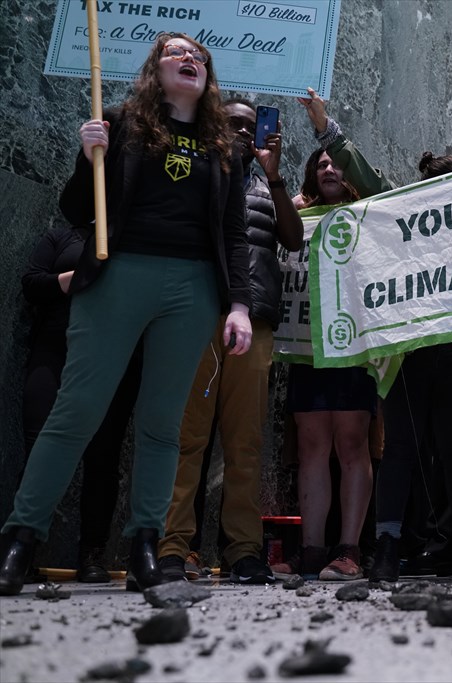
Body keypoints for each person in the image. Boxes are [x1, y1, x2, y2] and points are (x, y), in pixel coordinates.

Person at [0, 33, 252, 596]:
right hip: (118, 276)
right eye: (176, 53)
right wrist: (86, 152)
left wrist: (239, 304)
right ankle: (21, 537)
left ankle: (144, 544)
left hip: (193, 288)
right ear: (154, 69)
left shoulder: (225, 148)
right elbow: (75, 209)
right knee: (76, 411)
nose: (189, 59)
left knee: (162, 423)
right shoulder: (118, 125)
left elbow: (234, 234)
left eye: (199, 57)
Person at [157, 97, 303, 585]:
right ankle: (174, 547)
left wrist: (273, 174)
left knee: (246, 443)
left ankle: (243, 550)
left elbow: (293, 239)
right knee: (187, 438)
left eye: (250, 126)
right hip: (199, 316)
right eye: (232, 123)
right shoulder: (193, 173)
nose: (242, 131)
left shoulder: (266, 187)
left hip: (253, 323)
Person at [270, 88, 393, 581]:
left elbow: (381, 190)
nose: (328, 168)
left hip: (353, 348)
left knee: (352, 444)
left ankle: (350, 550)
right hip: (306, 350)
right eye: (320, 164)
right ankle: (312, 551)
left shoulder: (374, 213)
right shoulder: (296, 218)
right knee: (311, 447)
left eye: (336, 163)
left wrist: (327, 131)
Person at [368, 152, 452, 583]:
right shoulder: (404, 224)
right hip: (413, 349)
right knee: (405, 447)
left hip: (449, 346)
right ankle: (389, 543)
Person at [20, 224, 143, 583]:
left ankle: (92, 554)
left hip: (113, 353)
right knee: (38, 447)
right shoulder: (62, 236)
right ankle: (22, 546)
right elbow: (31, 283)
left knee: (103, 455)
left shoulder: (135, 238)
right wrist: (80, 277)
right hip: (55, 347)